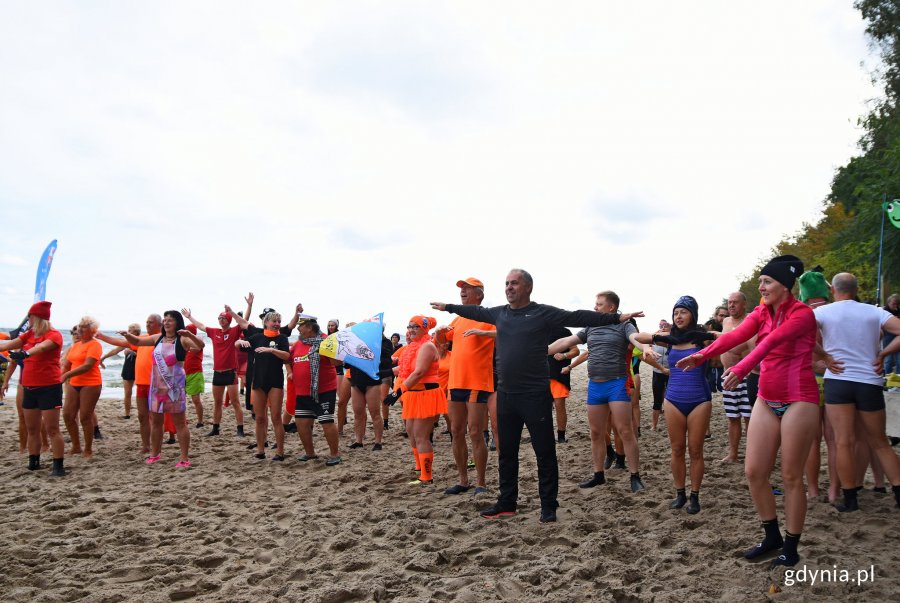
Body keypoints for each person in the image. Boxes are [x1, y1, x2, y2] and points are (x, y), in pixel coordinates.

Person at [431, 268, 642, 523]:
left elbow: (576, 316)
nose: (509, 287)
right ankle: (507, 502)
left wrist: (617, 318)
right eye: (507, 283)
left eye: (515, 283)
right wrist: (449, 307)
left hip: (535, 395)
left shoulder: (542, 313)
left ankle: (548, 505)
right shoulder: (500, 313)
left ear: (528, 287)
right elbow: (473, 311)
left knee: (545, 452)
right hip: (507, 394)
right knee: (507, 452)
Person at [676, 255, 829, 567]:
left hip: (799, 398)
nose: (761, 286)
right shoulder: (762, 311)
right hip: (767, 397)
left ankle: (791, 545)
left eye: (767, 281)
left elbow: (768, 344)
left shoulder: (802, 315)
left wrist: (743, 369)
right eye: (760, 281)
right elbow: (735, 336)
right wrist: (703, 355)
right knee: (754, 471)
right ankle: (771, 535)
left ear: (785, 286)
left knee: (789, 475)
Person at [549, 291, 651, 494]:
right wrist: (542, 350)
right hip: (595, 385)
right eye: (595, 304)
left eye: (599, 304)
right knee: (596, 432)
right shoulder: (591, 326)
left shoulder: (623, 324)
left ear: (611, 307)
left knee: (625, 431)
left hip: (617, 383)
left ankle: (634, 475)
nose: (595, 307)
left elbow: (635, 337)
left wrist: (644, 347)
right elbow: (567, 342)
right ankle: (598, 475)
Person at [815, 272, 900, 510]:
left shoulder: (821, 312)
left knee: (843, 442)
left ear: (832, 289)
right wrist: (884, 353)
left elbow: (800, 334)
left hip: (838, 379)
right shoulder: (874, 311)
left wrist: (823, 355)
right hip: (869, 380)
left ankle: (850, 499)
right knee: (881, 442)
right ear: (856, 288)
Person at [120, 310, 203, 466]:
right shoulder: (158, 338)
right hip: (156, 387)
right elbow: (137, 342)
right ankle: (155, 454)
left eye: (169, 320)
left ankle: (184, 458)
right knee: (156, 422)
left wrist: (189, 335)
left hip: (174, 387)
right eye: (164, 320)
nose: (166, 323)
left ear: (177, 322)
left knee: (180, 423)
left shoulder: (183, 339)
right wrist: (127, 335)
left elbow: (200, 345)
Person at [439, 277, 496, 496]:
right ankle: (463, 480)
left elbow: (507, 333)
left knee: (475, 432)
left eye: (467, 289)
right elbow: (442, 347)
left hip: (477, 381)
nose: (462, 291)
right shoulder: (458, 319)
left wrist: (484, 333)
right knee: (456, 430)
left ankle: (481, 482)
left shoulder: (488, 316)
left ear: (479, 294)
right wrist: (439, 334)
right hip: (455, 382)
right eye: (461, 289)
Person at [0, 301, 67, 476]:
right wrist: (18, 350)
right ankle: (34, 461)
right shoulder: (28, 334)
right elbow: (7, 345)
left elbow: (43, 347)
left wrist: (25, 353)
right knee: (32, 428)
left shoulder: (54, 335)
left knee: (52, 429)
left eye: (29, 316)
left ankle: (58, 466)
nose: (27, 319)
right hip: (29, 386)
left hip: (49, 387)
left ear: (36, 317)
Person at [230, 306, 291, 460]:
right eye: (274, 321)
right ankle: (260, 450)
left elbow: (287, 356)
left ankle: (280, 452)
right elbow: (237, 344)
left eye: (279, 321)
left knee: (276, 417)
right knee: (260, 418)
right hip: (258, 381)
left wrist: (271, 350)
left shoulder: (281, 338)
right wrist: (239, 342)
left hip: (275, 382)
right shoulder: (257, 337)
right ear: (266, 322)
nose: (277, 323)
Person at [97, 314, 163, 454]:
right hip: (141, 383)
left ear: (159, 324)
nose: (147, 324)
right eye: (146, 322)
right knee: (142, 416)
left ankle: (156, 448)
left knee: (155, 418)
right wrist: (102, 336)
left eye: (151, 322)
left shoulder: (161, 339)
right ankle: (145, 446)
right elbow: (121, 343)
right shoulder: (143, 339)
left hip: (156, 384)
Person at [394, 315, 446, 485]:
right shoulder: (412, 347)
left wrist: (397, 392)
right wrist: (382, 371)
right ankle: (419, 467)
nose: (411, 330)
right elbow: (402, 369)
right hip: (413, 394)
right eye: (409, 327)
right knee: (411, 431)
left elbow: (419, 372)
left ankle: (426, 476)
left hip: (426, 394)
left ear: (424, 329)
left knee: (421, 435)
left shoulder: (427, 346)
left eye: (415, 327)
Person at [181, 305, 246, 438]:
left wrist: (246, 307)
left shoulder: (234, 331)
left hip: (230, 372)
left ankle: (240, 429)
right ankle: (215, 428)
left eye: (223, 318)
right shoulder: (214, 332)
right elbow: (201, 326)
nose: (221, 320)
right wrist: (189, 317)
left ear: (228, 320)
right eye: (219, 318)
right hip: (217, 372)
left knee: (235, 402)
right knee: (217, 402)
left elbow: (244, 321)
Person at [290, 315, 341, 466]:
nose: (298, 329)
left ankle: (335, 454)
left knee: (326, 421)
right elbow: (289, 358)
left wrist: (325, 351)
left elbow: (338, 362)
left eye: (301, 326)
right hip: (303, 391)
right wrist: (289, 371)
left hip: (324, 390)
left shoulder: (327, 340)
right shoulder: (299, 343)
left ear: (310, 327)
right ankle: (310, 453)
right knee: (301, 422)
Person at [719, 292, 757, 462]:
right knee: (732, 417)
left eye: (735, 302)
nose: (731, 305)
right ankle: (733, 453)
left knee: (750, 417)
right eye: (729, 302)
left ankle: (752, 453)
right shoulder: (726, 321)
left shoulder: (751, 320)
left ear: (744, 304)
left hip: (747, 375)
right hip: (727, 375)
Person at [60, 316, 103, 458]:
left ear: (92, 330)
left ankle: (88, 449)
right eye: (80, 326)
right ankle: (76, 446)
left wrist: (67, 375)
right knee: (67, 415)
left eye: (84, 326)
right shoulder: (76, 345)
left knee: (85, 416)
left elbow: (88, 365)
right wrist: (60, 375)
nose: (80, 328)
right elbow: (67, 364)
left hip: (91, 383)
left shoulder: (95, 344)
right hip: (75, 383)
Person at [99, 323, 141, 419]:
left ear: (136, 332)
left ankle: (142, 412)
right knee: (127, 392)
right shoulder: (127, 342)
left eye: (130, 330)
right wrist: (103, 358)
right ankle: (127, 414)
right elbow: (115, 350)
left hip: (140, 368)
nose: (128, 332)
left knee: (141, 394)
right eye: (128, 329)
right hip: (128, 368)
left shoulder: (143, 341)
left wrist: (134, 352)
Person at [183, 323, 205, 428]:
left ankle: (200, 421)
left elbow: (197, 348)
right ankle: (183, 420)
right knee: (181, 400)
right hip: (183, 374)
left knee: (196, 400)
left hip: (195, 373)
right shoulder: (184, 342)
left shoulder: (197, 342)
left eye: (189, 331)